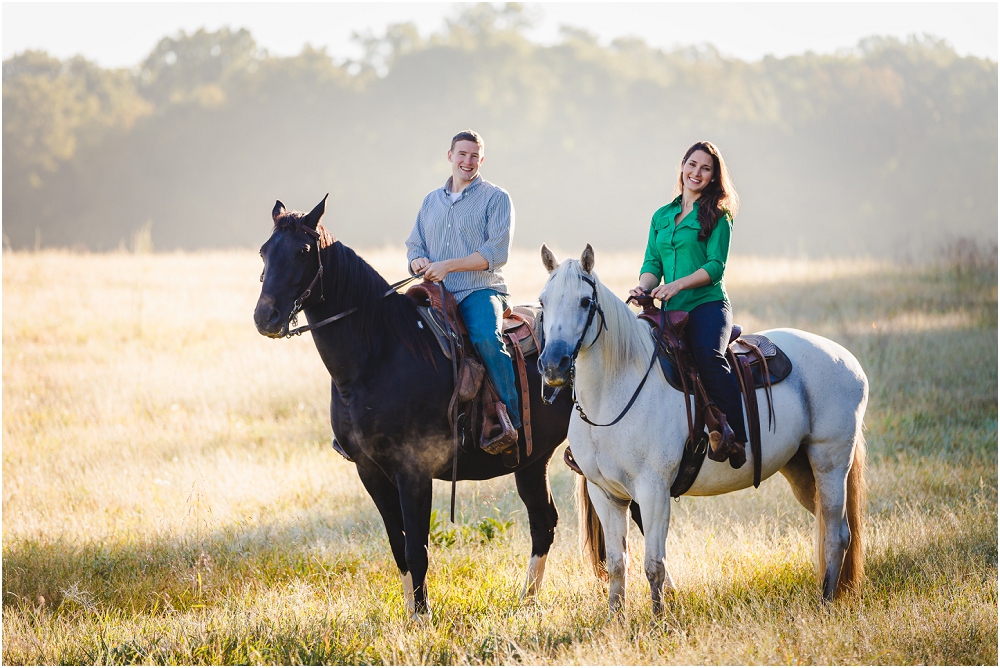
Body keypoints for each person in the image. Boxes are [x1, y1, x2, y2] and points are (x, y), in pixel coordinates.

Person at [629, 141, 748, 468]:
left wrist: (676, 285)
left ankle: (736, 436)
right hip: (669, 311)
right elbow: (653, 263)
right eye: (692, 165)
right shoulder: (662, 216)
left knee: (708, 358)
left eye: (705, 168)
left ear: (713, 176)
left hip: (707, 306)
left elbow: (714, 267)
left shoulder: (718, 214)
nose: (697, 172)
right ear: (682, 166)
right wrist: (643, 287)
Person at [405, 130, 520, 452]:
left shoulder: (496, 198)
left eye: (474, 156)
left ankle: (512, 424)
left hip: (478, 290)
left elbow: (495, 253)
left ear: (481, 160)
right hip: (435, 291)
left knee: (486, 338)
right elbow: (414, 245)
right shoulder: (431, 201)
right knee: (398, 335)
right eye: (462, 154)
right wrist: (418, 262)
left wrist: (448, 266)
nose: (467, 161)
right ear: (450, 156)